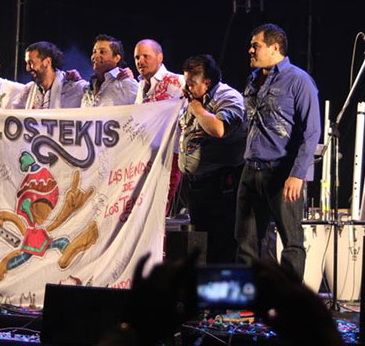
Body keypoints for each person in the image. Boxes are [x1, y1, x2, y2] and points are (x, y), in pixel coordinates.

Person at [235, 23, 321, 280]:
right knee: (246, 240)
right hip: (251, 170)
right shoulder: (253, 79)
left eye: (256, 45)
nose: (250, 50)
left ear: (275, 47)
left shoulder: (298, 80)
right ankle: (246, 302)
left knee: (291, 241)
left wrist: (298, 174)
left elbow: (312, 131)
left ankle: (289, 304)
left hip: (282, 173)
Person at [178, 54, 246, 264]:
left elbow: (219, 129)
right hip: (196, 187)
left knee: (222, 247)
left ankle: (223, 294)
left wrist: (197, 109)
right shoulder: (194, 98)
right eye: (186, 82)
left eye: (191, 83)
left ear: (207, 82)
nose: (186, 88)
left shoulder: (228, 97)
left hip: (220, 187)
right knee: (203, 249)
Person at [133, 39, 185, 214]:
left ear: (160, 57)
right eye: (137, 57)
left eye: (146, 56)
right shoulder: (140, 85)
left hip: (170, 156)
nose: (140, 61)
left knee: (158, 210)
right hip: (146, 157)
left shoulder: (179, 81)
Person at [13, 41, 88, 109]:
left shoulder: (76, 89)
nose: (27, 68)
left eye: (31, 63)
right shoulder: (28, 91)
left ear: (47, 62)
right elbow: (14, 118)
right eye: (27, 63)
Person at [81, 34, 138, 107]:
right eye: (94, 52)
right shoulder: (88, 88)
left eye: (102, 52)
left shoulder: (126, 84)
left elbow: (143, 110)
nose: (95, 56)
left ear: (116, 58)